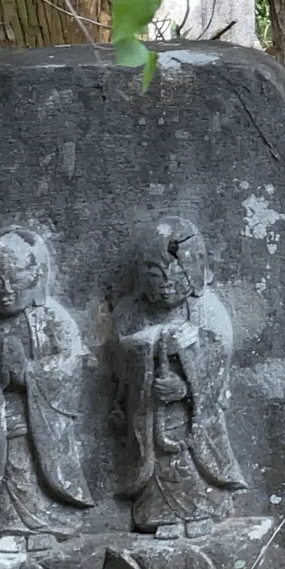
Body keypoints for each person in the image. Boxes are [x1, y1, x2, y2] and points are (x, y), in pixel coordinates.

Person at [115, 218, 246, 536]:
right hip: (152, 413)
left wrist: (186, 386)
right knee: (160, 464)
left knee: (189, 460)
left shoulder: (207, 309)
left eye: (175, 276)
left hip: (190, 415)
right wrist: (156, 340)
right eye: (155, 276)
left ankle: (204, 510)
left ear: (195, 272)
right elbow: (122, 353)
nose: (165, 286)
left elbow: (219, 358)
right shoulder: (132, 311)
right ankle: (161, 515)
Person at [0, 227, 93, 547]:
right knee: (8, 467)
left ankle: (46, 522)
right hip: (1, 415)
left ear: (37, 277)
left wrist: (30, 374)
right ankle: (7, 523)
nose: (7, 291)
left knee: (33, 465)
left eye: (16, 280)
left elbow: (71, 363)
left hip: (41, 417)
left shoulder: (52, 317)